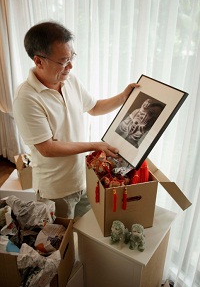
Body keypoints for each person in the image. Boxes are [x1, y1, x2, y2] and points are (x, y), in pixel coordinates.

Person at [13, 21, 139, 219]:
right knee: (63, 243)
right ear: (39, 61)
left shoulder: (69, 80)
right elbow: (47, 148)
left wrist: (124, 97)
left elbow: (94, 107)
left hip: (83, 178)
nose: (70, 66)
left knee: (87, 232)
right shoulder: (26, 98)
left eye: (72, 58)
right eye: (63, 61)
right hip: (55, 189)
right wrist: (94, 145)